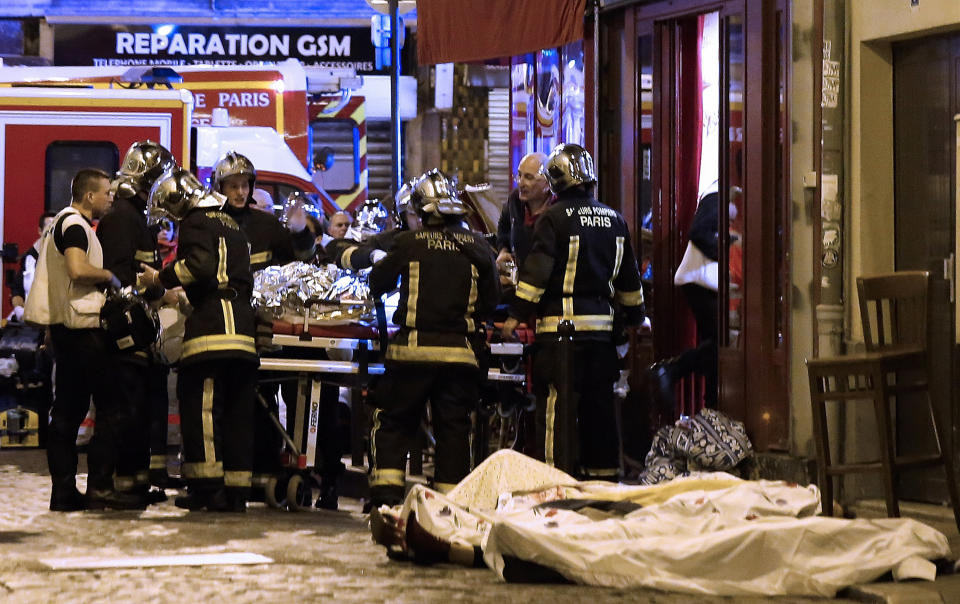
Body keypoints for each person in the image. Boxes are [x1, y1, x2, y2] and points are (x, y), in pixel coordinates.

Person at [502, 144, 644, 479]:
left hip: (561, 337)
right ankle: (604, 481)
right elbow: (629, 285)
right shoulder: (615, 219)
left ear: (554, 183)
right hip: (603, 338)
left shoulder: (552, 219)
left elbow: (535, 277)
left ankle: (555, 482)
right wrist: (635, 319)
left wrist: (514, 317)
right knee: (600, 409)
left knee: (557, 409)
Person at [367, 169, 500, 509]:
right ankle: (449, 505)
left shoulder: (409, 243)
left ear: (423, 210)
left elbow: (377, 284)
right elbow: (490, 300)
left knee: (394, 422)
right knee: (453, 430)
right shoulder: (479, 246)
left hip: (411, 354)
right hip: (459, 357)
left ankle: (387, 499)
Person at [24, 168, 148, 511]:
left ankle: (63, 492)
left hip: (66, 331)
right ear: (89, 196)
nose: (111, 198)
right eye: (107, 193)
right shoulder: (76, 225)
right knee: (114, 407)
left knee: (66, 412)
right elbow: (78, 270)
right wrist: (110, 276)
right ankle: (101, 488)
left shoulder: (57, 225)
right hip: (86, 330)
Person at [141, 168, 258, 512]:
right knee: (237, 414)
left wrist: (159, 278)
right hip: (242, 330)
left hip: (211, 332)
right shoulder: (233, 224)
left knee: (202, 408)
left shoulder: (196, 220)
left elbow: (200, 266)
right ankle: (237, 491)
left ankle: (208, 489)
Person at [211, 151, 315, 499]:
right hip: (221, 329)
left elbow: (299, 266)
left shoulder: (267, 227)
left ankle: (263, 471)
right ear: (220, 187)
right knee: (222, 403)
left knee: (262, 401)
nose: (240, 193)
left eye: (244, 186)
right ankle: (223, 475)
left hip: (261, 333)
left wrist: (301, 234)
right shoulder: (208, 223)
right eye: (233, 186)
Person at [98, 140, 176, 502]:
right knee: (125, 410)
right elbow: (118, 279)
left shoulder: (137, 220)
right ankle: (121, 487)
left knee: (138, 410)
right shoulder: (120, 220)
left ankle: (136, 483)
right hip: (125, 332)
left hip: (140, 329)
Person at [650, 185, 731, 411]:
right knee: (722, 343)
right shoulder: (719, 193)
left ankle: (711, 405)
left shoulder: (722, 193)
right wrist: (728, 255)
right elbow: (699, 232)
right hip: (702, 282)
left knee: (715, 347)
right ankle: (673, 370)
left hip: (704, 283)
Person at [495, 152, 553, 285]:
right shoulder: (515, 199)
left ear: (547, 183)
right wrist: (503, 251)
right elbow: (503, 229)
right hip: (520, 284)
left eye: (529, 177)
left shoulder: (559, 209)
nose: (521, 183)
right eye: (519, 175)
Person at [9, 212, 56, 321]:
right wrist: (19, 309)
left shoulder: (65, 258)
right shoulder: (29, 258)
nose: (53, 233)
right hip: (30, 322)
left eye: (56, 229)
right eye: (49, 228)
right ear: (40, 231)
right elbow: (17, 290)